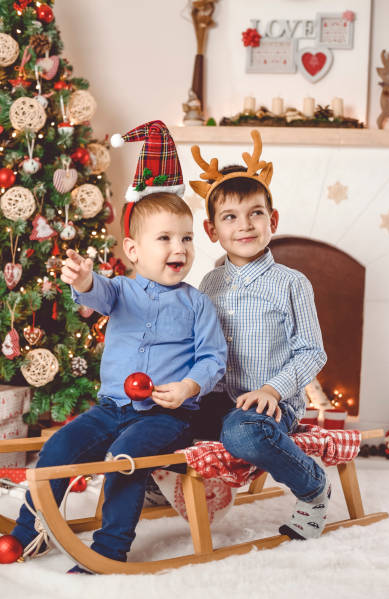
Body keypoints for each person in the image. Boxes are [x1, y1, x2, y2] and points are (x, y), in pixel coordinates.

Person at [2, 121, 226, 571]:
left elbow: (213, 357)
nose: (177, 247)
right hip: (111, 405)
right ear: (134, 249)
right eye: (163, 238)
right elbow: (96, 292)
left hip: (166, 414)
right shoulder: (121, 289)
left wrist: (187, 387)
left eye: (185, 238)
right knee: (60, 448)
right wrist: (84, 278)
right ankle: (30, 533)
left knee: (128, 459)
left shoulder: (197, 303)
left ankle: (110, 546)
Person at [190, 130, 330, 541]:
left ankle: (313, 487)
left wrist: (272, 389)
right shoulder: (209, 283)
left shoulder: (292, 283)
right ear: (212, 229)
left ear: (273, 220)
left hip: (271, 407)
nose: (244, 225)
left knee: (242, 432)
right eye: (230, 217)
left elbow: (311, 352)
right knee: (162, 416)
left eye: (255, 213)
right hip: (218, 399)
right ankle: (155, 482)